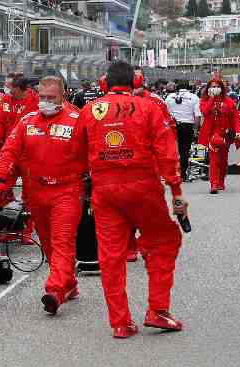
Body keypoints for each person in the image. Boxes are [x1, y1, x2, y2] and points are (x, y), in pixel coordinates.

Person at [74, 61, 187, 339]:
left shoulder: (89, 111)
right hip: (143, 189)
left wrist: (83, 189)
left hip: (104, 191)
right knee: (164, 241)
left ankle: (120, 323)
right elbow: (167, 153)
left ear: (104, 83)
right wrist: (176, 192)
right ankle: (158, 310)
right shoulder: (150, 107)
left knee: (111, 256)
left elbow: (76, 155)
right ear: (136, 82)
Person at [0, 76, 86, 315]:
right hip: (35, 192)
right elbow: (9, 153)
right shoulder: (27, 121)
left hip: (67, 190)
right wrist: (2, 181)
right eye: (42, 97)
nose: (45, 102)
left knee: (62, 242)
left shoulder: (78, 120)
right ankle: (70, 284)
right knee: (48, 244)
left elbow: (92, 154)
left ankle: (54, 290)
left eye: (51, 98)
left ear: (62, 96)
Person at [198, 79, 240, 194]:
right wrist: (212, 98)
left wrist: (239, 131)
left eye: (217, 86)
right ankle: (213, 184)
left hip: (226, 135)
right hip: (212, 135)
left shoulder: (229, 101)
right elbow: (204, 111)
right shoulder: (204, 101)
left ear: (221, 88)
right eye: (212, 86)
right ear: (208, 88)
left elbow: (235, 118)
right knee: (214, 160)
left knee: (223, 161)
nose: (214, 88)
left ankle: (220, 181)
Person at [165, 81, 202, 181]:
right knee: (185, 150)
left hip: (172, 126)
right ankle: (183, 175)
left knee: (172, 150)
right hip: (187, 126)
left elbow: (164, 113)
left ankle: (171, 174)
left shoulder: (169, 97)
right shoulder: (194, 97)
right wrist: (195, 129)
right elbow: (198, 116)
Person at [0, 76, 39, 143]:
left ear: (17, 89)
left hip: (25, 142)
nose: (10, 91)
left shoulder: (35, 101)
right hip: (8, 141)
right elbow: (1, 121)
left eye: (10, 88)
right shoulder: (6, 99)